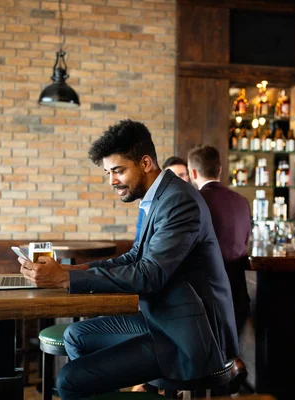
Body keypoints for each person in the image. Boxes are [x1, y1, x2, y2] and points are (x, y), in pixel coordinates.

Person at [18, 120, 238, 400]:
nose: (112, 181)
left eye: (118, 171)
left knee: (70, 380)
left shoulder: (178, 201)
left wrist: (65, 278)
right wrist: (75, 269)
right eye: (108, 172)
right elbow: (135, 256)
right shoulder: (158, 196)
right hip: (161, 318)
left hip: (187, 335)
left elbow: (150, 274)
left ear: (145, 163)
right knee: (75, 336)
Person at [187, 145, 251, 335]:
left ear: (193, 172)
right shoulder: (242, 201)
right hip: (238, 296)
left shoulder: (194, 200)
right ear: (220, 170)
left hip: (206, 298)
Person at [134, 156, 189, 240]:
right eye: (173, 176)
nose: (177, 180)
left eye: (181, 175)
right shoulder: (148, 204)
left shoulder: (196, 202)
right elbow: (139, 240)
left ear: (188, 177)